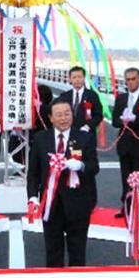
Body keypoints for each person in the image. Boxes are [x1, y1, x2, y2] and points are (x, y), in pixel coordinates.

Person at [27, 100, 99, 267]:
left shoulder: (85, 138)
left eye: (67, 113)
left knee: (78, 253)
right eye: (59, 114)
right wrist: (32, 196)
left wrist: (81, 166)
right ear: (51, 118)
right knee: (53, 253)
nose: (64, 118)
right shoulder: (40, 139)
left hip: (78, 204)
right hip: (51, 204)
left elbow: (94, 167)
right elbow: (33, 173)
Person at [112, 67, 139, 216]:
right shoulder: (121, 98)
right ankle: (126, 206)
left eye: (133, 79)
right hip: (124, 144)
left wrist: (134, 120)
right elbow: (114, 121)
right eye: (128, 80)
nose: (130, 82)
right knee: (125, 177)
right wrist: (122, 120)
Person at [59, 66, 103, 135]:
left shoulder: (92, 95)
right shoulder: (64, 96)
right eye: (74, 77)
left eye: (79, 77)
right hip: (68, 134)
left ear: (84, 78)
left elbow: (98, 115)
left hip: (87, 134)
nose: (77, 80)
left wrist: (88, 126)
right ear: (70, 79)